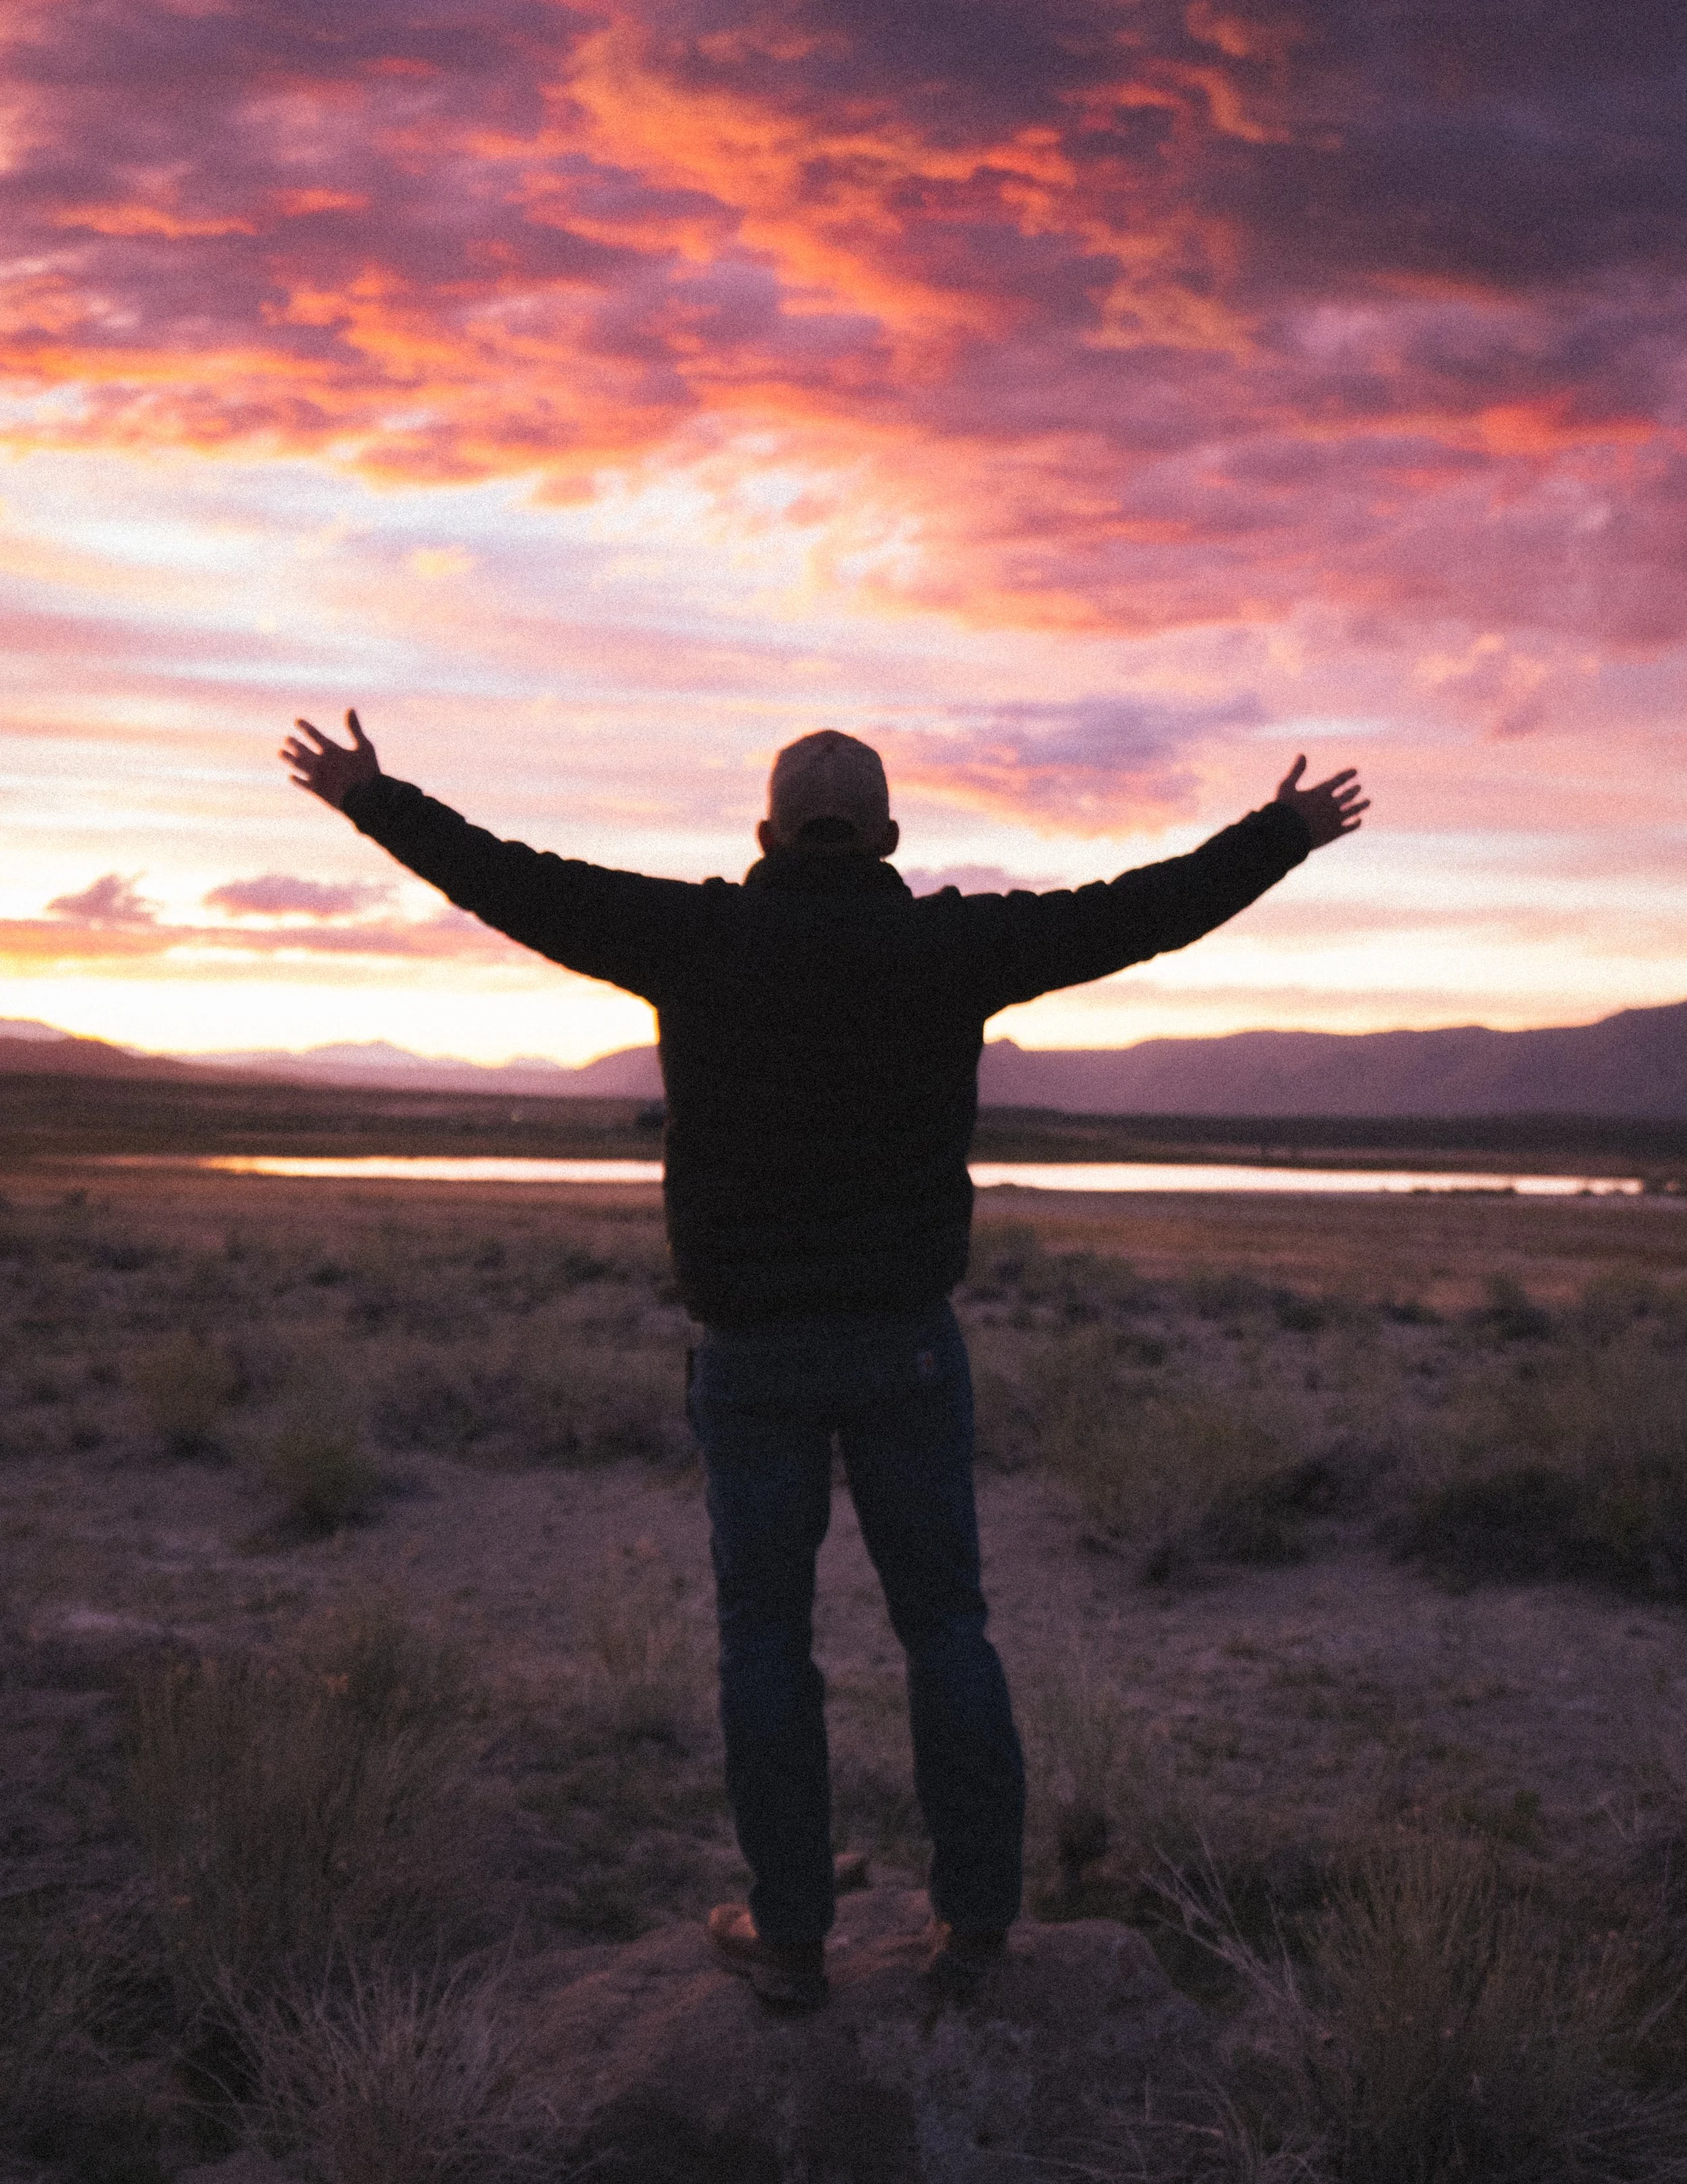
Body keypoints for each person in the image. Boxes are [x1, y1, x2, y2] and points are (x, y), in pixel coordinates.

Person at [281, 710, 1365, 2008]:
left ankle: (792, 1933)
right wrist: (1284, 832)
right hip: (905, 1348)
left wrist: (374, 798)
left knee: (765, 1639)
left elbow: (512, 879)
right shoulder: (948, 947)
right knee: (947, 1628)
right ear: (891, 839)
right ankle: (974, 1926)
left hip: (751, 1356)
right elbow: (1141, 912)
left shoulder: (697, 937)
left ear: (765, 836)